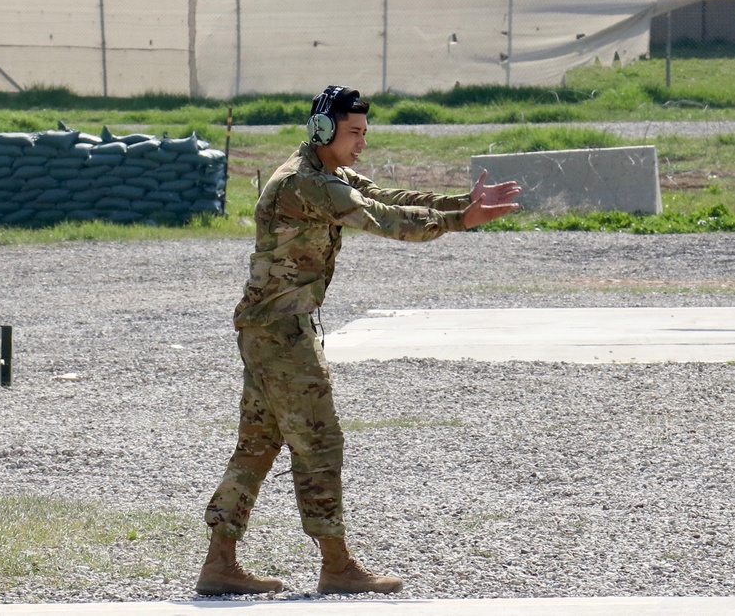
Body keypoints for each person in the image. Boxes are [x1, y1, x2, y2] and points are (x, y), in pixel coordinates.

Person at [196, 85, 521, 596]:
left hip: (269, 330)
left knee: (258, 444)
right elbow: (382, 219)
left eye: (365, 133)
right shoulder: (306, 185)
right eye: (353, 133)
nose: (361, 143)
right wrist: (461, 219)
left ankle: (220, 562)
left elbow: (387, 197)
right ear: (323, 131)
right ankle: (337, 564)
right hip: (282, 335)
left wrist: (463, 203)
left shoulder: (327, 174)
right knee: (319, 441)